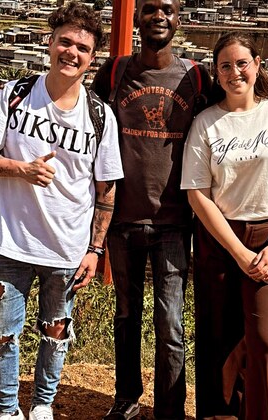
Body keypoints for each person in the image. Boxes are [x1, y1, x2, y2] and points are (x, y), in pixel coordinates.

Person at [0, 3, 123, 420]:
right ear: (50, 43)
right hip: (10, 244)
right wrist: (22, 169)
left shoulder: (99, 116)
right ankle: (7, 410)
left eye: (82, 48)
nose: (72, 53)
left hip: (67, 250)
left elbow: (106, 190)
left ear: (92, 58)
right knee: (2, 336)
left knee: (56, 334)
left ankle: (42, 405)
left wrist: (95, 249)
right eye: (65, 42)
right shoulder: (15, 95)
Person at [181, 32, 268, 420]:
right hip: (220, 241)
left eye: (242, 63)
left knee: (267, 343)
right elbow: (198, 194)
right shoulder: (206, 123)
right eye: (225, 66)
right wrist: (238, 253)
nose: (234, 72)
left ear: (257, 65)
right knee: (217, 339)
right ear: (216, 72)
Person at [91, 0, 211, 418]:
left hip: (174, 223)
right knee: (126, 315)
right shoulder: (115, 71)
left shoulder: (196, 77)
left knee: (171, 325)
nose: (159, 16)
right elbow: (86, 123)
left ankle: (170, 410)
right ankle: (126, 398)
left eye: (168, 9)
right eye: (150, 9)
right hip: (123, 219)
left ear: (179, 19)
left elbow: (231, 114)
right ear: (138, 18)